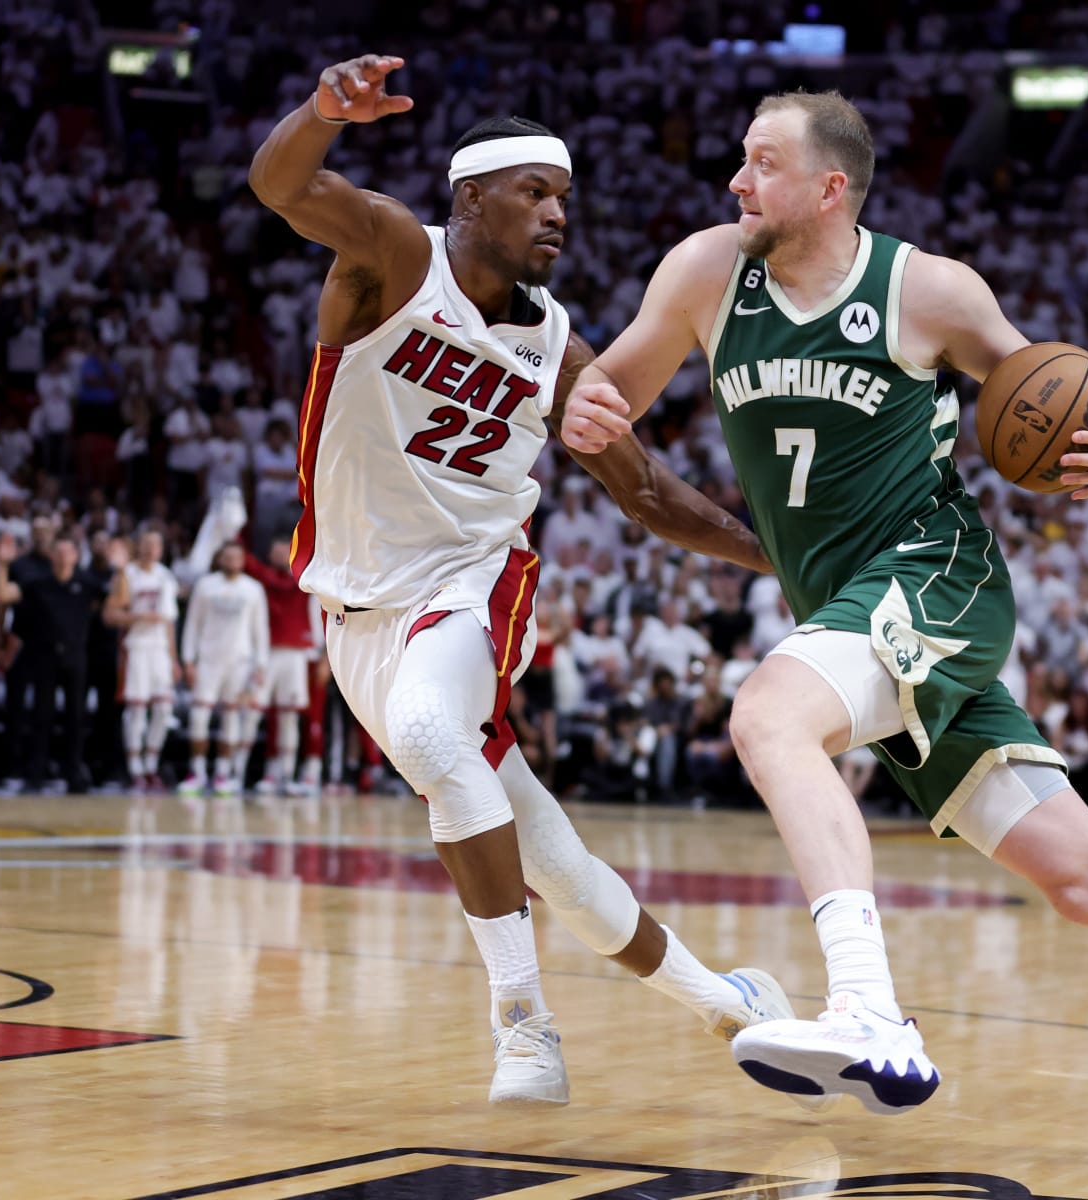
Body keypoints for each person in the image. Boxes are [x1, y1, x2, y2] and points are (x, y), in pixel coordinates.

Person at [562, 89, 1088, 1177]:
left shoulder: (927, 289)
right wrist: (588, 411)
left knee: (769, 716)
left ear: (830, 187)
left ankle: (867, 1010)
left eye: (762, 162)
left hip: (937, 577)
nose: (737, 180)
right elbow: (612, 393)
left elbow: (1068, 399)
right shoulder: (704, 273)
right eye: (741, 158)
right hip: (850, 616)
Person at [247, 54, 796, 1106]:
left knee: (428, 733)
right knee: (556, 865)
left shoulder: (558, 349)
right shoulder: (397, 257)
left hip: (473, 581)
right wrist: (322, 112)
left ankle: (523, 1024)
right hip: (358, 617)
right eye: (534, 193)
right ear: (470, 199)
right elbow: (281, 186)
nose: (556, 216)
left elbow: (649, 494)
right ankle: (732, 1002)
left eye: (564, 199)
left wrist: (785, 555)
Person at [0, 532, 100, 790]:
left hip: (76, 657)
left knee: (75, 717)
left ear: (75, 556)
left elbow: (116, 600)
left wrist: (123, 570)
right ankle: (35, 773)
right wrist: (3, 564)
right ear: (51, 556)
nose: (61, 556)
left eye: (66, 552)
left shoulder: (87, 584)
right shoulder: (37, 582)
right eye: (57, 552)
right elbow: (3, 595)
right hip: (44, 657)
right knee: (41, 716)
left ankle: (73, 773)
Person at [178, 542, 270, 796]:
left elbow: (260, 629)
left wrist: (261, 665)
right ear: (220, 559)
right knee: (199, 717)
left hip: (239, 663)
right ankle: (197, 773)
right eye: (227, 557)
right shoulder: (205, 585)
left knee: (231, 718)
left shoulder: (253, 589)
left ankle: (222, 773)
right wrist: (188, 660)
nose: (231, 561)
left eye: (236, 557)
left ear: (242, 560)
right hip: (208, 661)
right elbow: (193, 624)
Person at [244, 535, 326, 794]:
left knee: (311, 718)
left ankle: (311, 772)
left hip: (309, 656)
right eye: (277, 552)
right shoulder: (265, 582)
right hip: (273, 654)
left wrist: (326, 659)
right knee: (274, 715)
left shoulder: (313, 580)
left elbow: (329, 620)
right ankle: (274, 772)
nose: (281, 557)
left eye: (285, 552)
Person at [104, 529, 180, 789]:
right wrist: (141, 617)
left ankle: (151, 765)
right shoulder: (126, 574)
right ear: (138, 547)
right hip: (135, 647)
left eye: (155, 545)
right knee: (136, 709)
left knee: (164, 708)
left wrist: (174, 659)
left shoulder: (166, 576)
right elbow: (110, 615)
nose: (150, 549)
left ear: (161, 550)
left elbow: (169, 623)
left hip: (160, 649)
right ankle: (134, 767)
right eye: (146, 544)